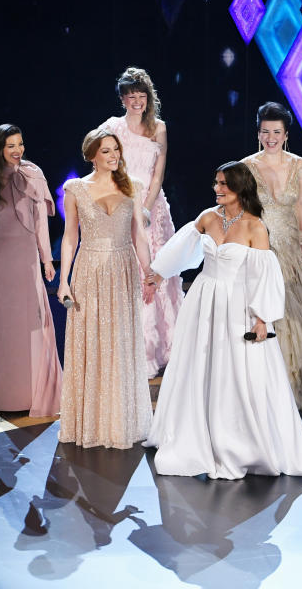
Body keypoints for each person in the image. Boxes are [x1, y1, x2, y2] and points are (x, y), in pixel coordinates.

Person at [143, 161, 302, 480]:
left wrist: (262, 319)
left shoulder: (255, 226)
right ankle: (196, 433)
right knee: (200, 366)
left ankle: (237, 441)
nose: (217, 188)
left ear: (239, 188)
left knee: (236, 371)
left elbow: (264, 277)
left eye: (224, 184)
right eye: (216, 183)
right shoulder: (207, 217)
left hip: (237, 306)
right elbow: (182, 248)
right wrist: (160, 272)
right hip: (204, 301)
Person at [56, 128, 154, 449]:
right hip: (89, 270)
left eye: (116, 150)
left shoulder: (132, 188)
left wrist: (148, 271)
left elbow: (140, 235)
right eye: (107, 151)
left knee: (119, 343)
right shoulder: (76, 189)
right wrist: (63, 280)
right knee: (91, 342)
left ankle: (118, 420)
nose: (114, 156)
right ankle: (91, 421)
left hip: (122, 269)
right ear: (92, 156)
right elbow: (70, 237)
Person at [0, 124, 62, 417]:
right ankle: (2, 397)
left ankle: (28, 395)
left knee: (29, 328)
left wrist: (47, 259)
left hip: (27, 261)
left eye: (20, 144)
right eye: (11, 145)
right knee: (1, 331)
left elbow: (40, 223)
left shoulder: (33, 174)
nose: (18, 150)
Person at [100, 67, 183, 377]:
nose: (136, 102)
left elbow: (158, 174)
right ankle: (132, 349)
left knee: (157, 273)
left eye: (141, 96)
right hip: (122, 204)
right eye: (131, 97)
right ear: (123, 99)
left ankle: (163, 347)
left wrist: (146, 208)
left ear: (149, 98)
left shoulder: (158, 128)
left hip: (152, 208)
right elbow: (100, 160)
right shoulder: (112, 127)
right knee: (129, 273)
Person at [239, 102, 302, 409]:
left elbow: (301, 203)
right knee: (260, 307)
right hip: (258, 244)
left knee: (290, 310)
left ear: (286, 134)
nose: (270, 137)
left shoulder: (300, 165)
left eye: (276, 132)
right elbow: (243, 208)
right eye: (265, 131)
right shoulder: (246, 166)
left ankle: (290, 381)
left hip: (288, 244)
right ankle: (261, 382)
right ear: (258, 132)